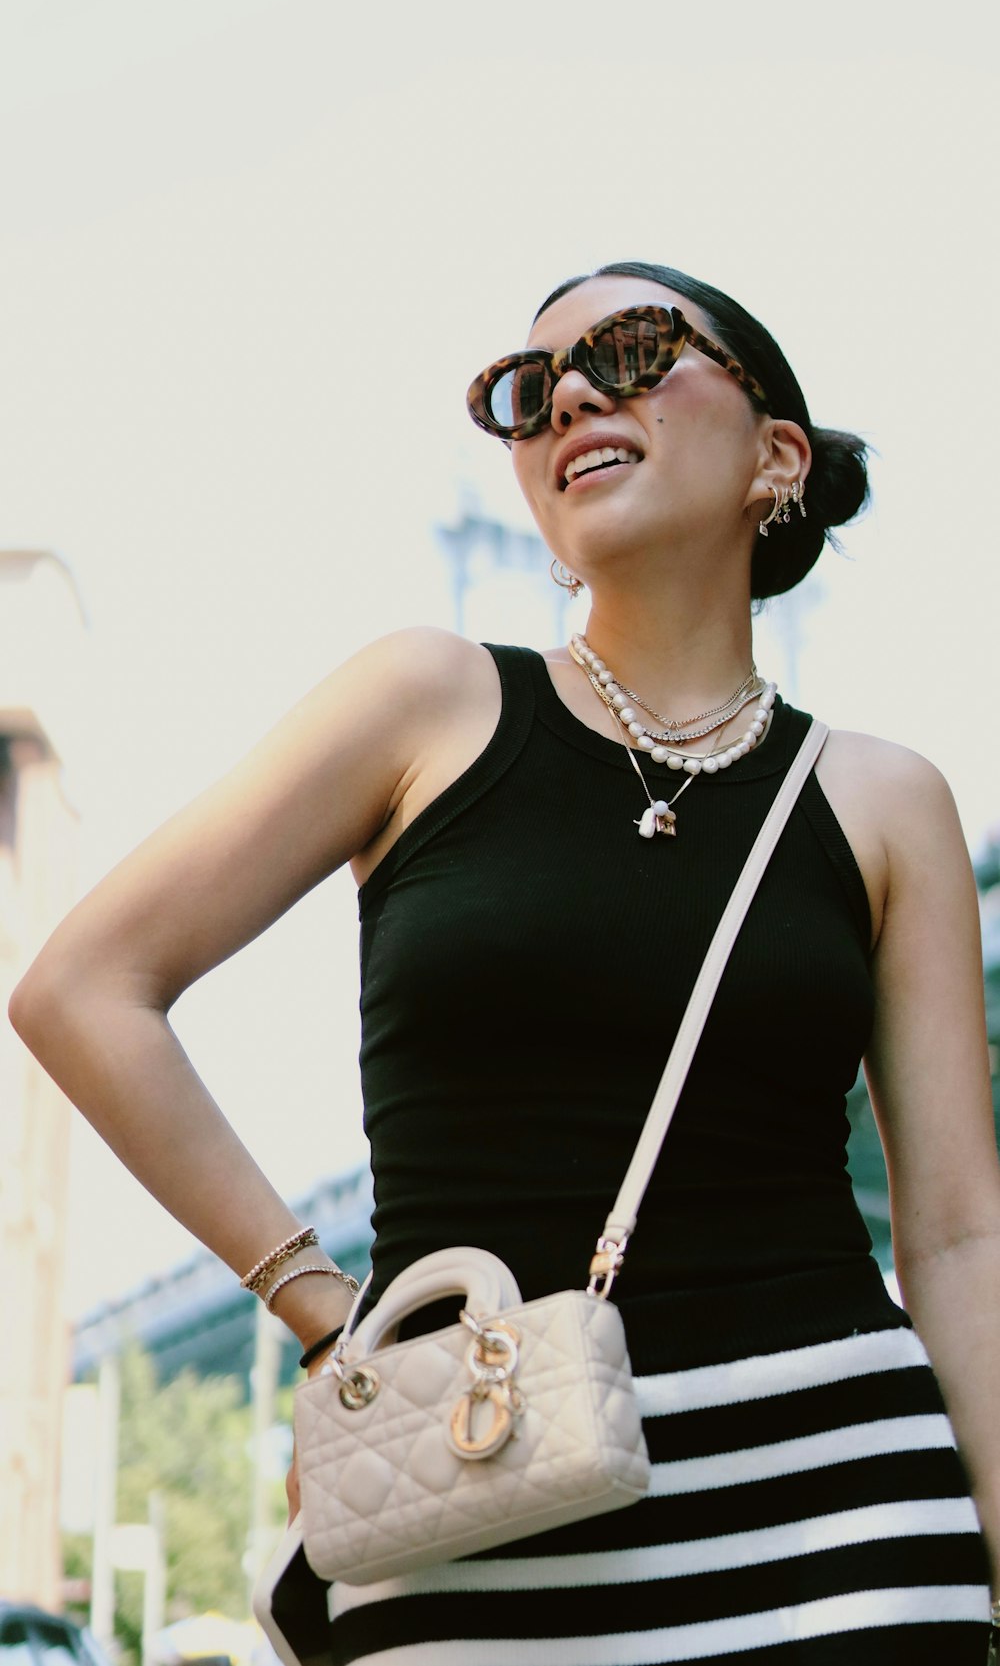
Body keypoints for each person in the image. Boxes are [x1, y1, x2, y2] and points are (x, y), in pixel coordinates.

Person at [11, 261, 1000, 1665]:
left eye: (641, 349)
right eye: (530, 391)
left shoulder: (886, 798)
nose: (578, 392)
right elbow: (80, 987)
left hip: (841, 1522)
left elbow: (959, 1233)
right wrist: (322, 1310)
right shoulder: (426, 704)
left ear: (775, 456)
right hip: (474, 1506)